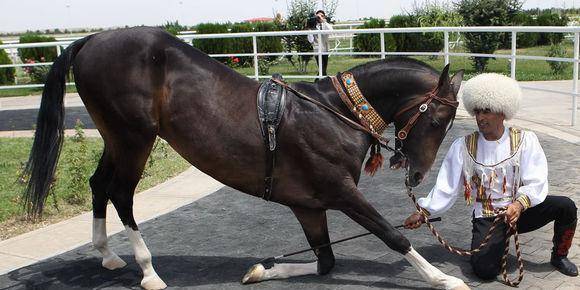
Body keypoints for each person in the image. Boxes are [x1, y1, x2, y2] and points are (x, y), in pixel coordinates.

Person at [403, 73, 578, 279]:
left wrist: (519, 205)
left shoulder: (525, 140)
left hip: (521, 210)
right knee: (484, 271)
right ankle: (497, 238)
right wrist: (424, 212)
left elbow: (536, 180)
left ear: (502, 112)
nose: (480, 118)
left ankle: (559, 256)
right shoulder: (463, 146)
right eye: (477, 111)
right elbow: (446, 186)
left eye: (487, 111)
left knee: (566, 206)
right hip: (488, 215)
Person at [307, 10, 333, 77]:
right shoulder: (313, 26)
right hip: (317, 50)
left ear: (324, 17)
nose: (319, 17)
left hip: (325, 49)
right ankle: (321, 82)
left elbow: (331, 31)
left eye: (322, 16)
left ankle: (319, 82)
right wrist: (310, 30)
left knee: (324, 69)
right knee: (322, 69)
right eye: (318, 16)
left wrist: (323, 21)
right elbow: (311, 40)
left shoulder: (326, 25)